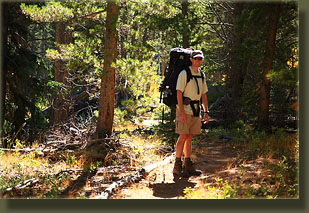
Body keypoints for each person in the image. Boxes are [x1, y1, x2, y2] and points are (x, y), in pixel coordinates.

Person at [172, 49, 209, 177]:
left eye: (200, 59)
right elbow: (178, 93)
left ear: (202, 60)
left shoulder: (201, 75)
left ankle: (187, 164)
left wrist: (206, 111)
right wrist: (181, 112)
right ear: (191, 59)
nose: (198, 61)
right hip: (185, 109)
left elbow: (203, 94)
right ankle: (177, 166)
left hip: (196, 110)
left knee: (190, 137)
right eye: (196, 58)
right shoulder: (184, 73)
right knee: (183, 136)